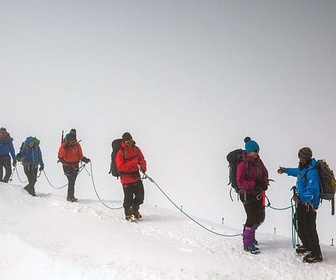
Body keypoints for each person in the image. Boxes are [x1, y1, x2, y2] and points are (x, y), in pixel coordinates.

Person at [278, 147, 323, 263]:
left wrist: (300, 198)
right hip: (302, 204)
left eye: (301, 157)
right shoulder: (304, 168)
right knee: (298, 223)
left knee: (309, 228)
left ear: (306, 158)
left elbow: (313, 192)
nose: (299, 158)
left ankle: (316, 254)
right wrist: (285, 170)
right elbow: (296, 172)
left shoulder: (312, 172)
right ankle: (307, 245)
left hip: (309, 205)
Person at [236, 137, 269, 254]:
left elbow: (265, 173)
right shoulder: (243, 164)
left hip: (258, 194)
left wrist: (264, 183)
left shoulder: (258, 162)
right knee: (252, 217)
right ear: (249, 151)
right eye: (255, 151)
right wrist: (254, 185)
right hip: (247, 195)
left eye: (258, 151)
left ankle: (250, 236)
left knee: (260, 218)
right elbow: (240, 182)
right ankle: (247, 243)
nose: (257, 153)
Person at [115, 132, 147, 221]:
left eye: (131, 141)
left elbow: (142, 159)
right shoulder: (120, 152)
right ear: (124, 142)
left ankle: (135, 210)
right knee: (128, 197)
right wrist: (134, 163)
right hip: (126, 179)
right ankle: (128, 213)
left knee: (140, 196)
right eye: (128, 142)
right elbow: (120, 167)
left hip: (136, 177)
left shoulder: (136, 149)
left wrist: (143, 167)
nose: (130, 143)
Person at [58, 129, 90, 202]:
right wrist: (65, 148)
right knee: (71, 181)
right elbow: (60, 155)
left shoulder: (77, 145)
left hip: (75, 166)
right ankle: (70, 197)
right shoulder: (65, 144)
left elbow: (80, 155)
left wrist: (85, 159)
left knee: (72, 181)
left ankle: (71, 196)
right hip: (67, 166)